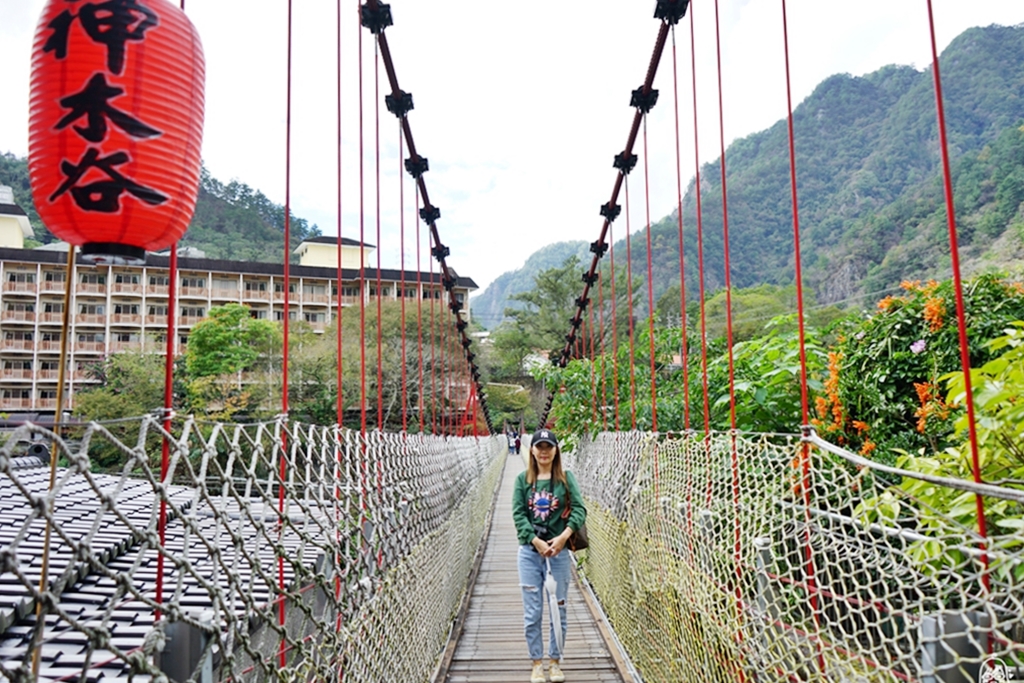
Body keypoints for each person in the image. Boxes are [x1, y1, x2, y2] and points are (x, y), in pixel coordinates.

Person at [511, 428, 587, 683]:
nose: (544, 452)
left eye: (549, 447)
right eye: (539, 447)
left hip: (559, 553)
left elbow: (579, 510)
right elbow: (519, 514)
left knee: (558, 609)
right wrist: (535, 541)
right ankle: (536, 663)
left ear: (556, 451)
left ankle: (555, 662)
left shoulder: (566, 479)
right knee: (532, 612)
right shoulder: (523, 480)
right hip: (530, 554)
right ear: (531, 450)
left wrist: (563, 537)